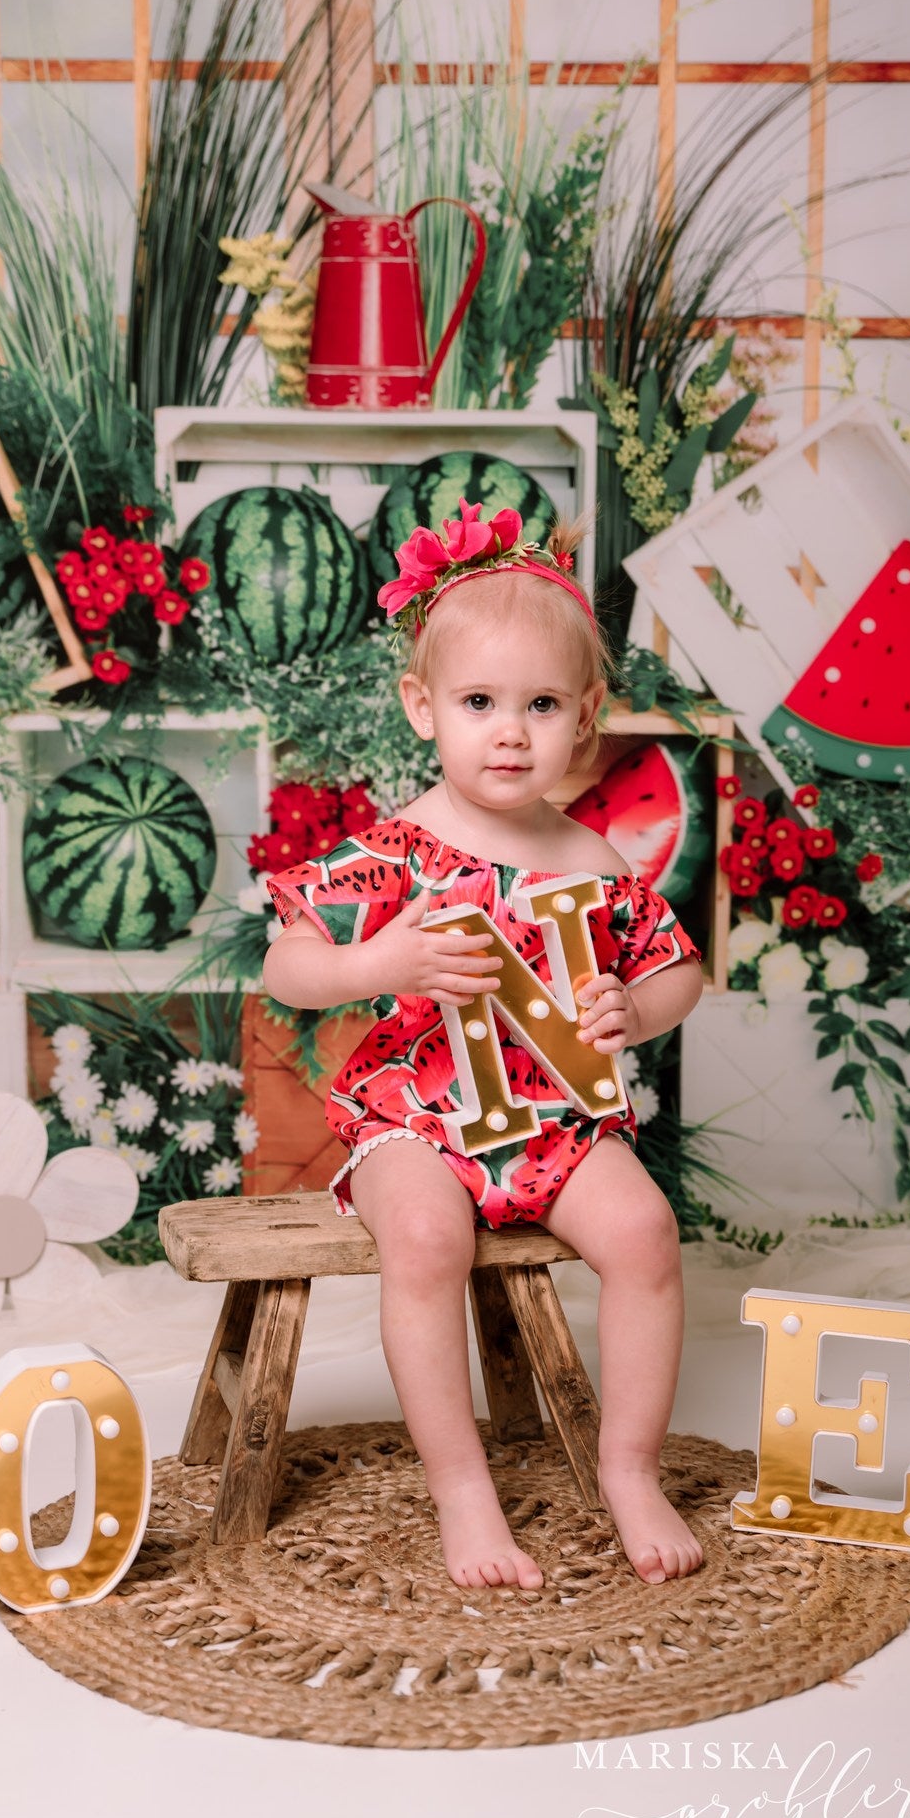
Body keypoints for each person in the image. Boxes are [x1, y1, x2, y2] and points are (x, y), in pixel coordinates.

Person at [262, 498, 705, 1596]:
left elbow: (676, 966)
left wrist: (633, 1011)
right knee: (422, 1237)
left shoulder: (593, 860)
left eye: (540, 704)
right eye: (477, 702)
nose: (509, 731)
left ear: (585, 719)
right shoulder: (395, 850)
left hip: (549, 1118)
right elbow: (285, 965)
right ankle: (461, 1484)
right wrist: (372, 968)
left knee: (645, 1231)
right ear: (424, 708)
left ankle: (628, 1465)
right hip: (419, 1111)